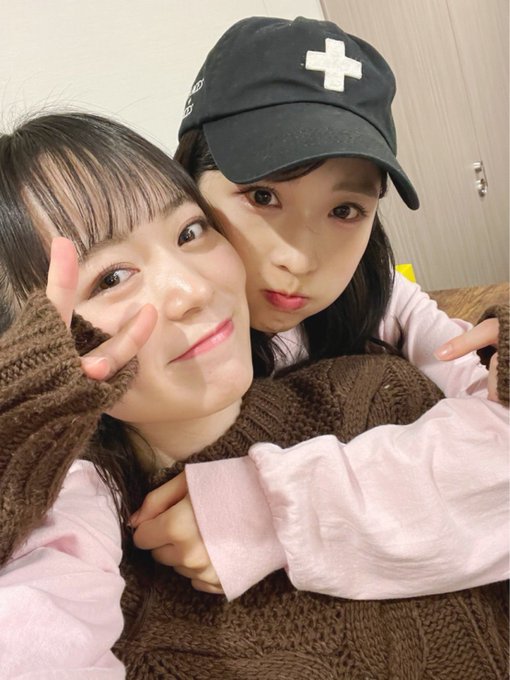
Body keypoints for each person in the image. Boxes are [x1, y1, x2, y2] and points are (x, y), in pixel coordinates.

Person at [0, 111, 507, 678]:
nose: (194, 288)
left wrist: (265, 509)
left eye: (190, 232)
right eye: (111, 279)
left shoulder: (375, 381)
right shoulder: (84, 533)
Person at [130, 15, 510, 601]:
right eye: (263, 196)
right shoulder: (147, 329)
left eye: (344, 211)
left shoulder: (374, 288)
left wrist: (271, 510)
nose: (300, 258)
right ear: (186, 184)